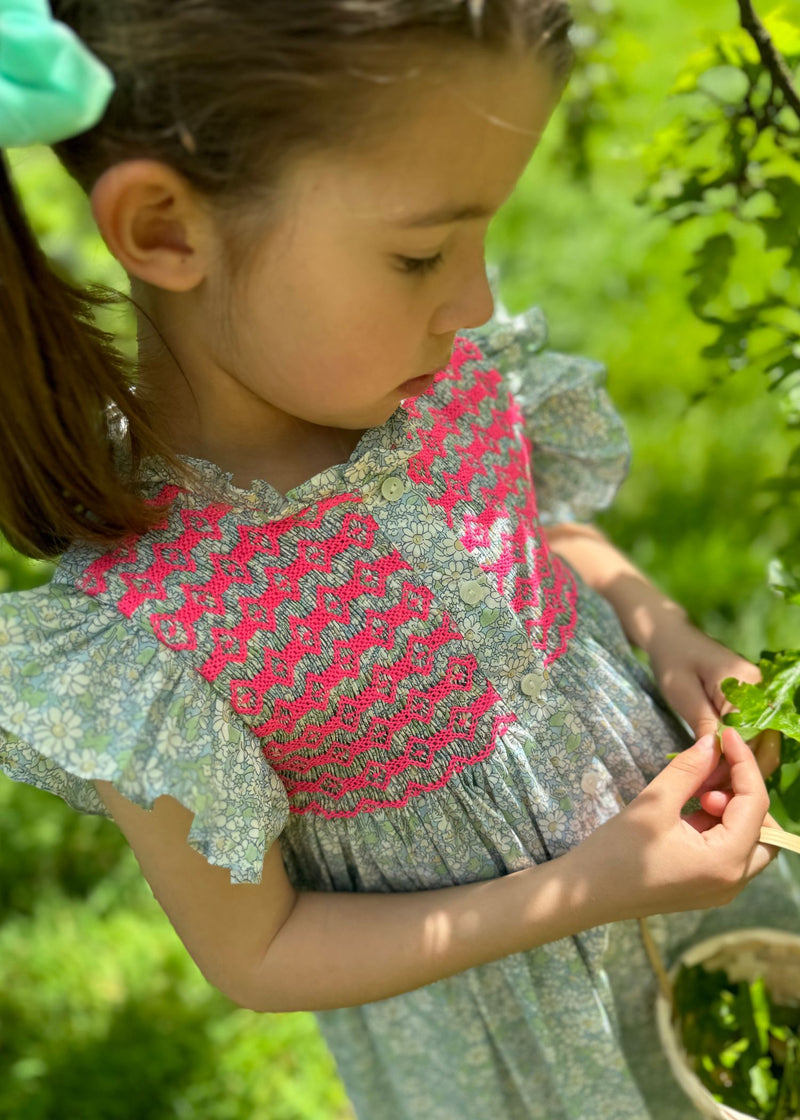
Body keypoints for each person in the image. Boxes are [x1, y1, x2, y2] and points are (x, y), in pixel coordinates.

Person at [0, 2, 796, 1118]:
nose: (471, 301)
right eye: (421, 252)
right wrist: (588, 886)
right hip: (509, 1046)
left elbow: (537, 534)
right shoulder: (150, 630)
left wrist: (654, 622)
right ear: (168, 230)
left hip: (691, 913)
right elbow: (259, 948)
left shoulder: (438, 370)